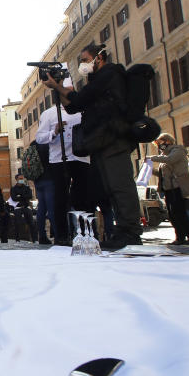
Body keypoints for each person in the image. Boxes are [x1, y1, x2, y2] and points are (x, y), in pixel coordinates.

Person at [42, 43, 143, 249]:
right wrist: (58, 87)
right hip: (103, 142)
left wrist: (58, 87)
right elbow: (73, 107)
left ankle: (131, 232)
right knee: (111, 188)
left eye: (85, 60)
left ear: (99, 57)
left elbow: (80, 99)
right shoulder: (98, 80)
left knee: (120, 186)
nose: (83, 64)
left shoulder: (109, 74)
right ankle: (123, 231)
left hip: (114, 139)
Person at [35, 75, 91, 245]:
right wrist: (54, 132)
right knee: (59, 199)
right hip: (59, 161)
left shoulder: (84, 110)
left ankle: (86, 234)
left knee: (84, 198)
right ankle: (61, 236)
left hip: (82, 158)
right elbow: (39, 138)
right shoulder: (49, 114)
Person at [149, 133, 189, 245]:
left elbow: (171, 159)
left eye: (160, 143)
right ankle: (180, 237)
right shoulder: (164, 156)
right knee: (172, 215)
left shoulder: (178, 150)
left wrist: (151, 158)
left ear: (167, 141)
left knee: (180, 213)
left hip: (177, 187)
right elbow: (163, 174)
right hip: (168, 188)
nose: (159, 146)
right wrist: (151, 170)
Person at [9, 174, 35, 242]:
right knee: (17, 223)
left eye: (22, 178)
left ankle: (34, 239)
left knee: (31, 223)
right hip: (18, 207)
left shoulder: (27, 187)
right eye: (20, 178)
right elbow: (14, 198)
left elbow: (30, 196)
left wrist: (20, 196)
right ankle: (17, 239)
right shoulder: (13, 188)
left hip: (26, 207)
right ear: (16, 179)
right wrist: (24, 196)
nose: (22, 180)